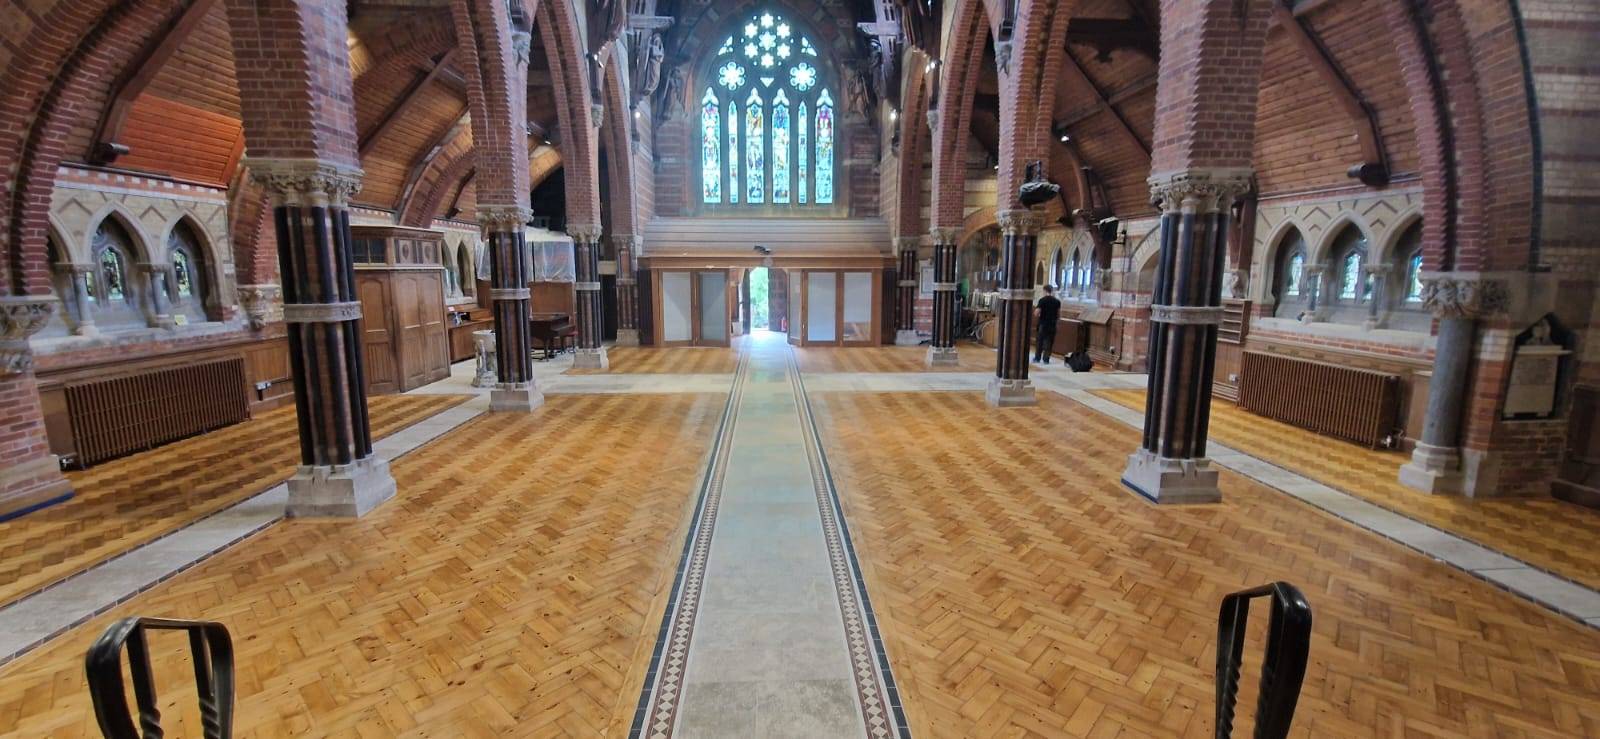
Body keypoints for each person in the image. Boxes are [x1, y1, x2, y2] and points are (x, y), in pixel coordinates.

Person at [1033, 285, 1061, 364]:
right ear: (1052, 291)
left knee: (1040, 341)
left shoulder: (1042, 300)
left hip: (1043, 323)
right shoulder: (1057, 301)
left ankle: (1037, 358)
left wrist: (1038, 314)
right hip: (1052, 324)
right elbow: (1058, 314)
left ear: (1045, 291)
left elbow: (1036, 313)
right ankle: (1046, 359)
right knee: (1049, 342)